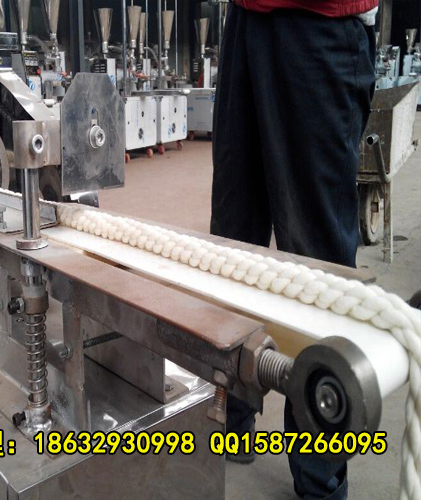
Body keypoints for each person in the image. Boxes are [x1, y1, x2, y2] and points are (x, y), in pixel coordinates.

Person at [210, 1, 377, 499]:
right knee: (231, 249)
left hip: (320, 24)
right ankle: (233, 420)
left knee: (317, 272)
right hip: (245, 22)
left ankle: (319, 479)